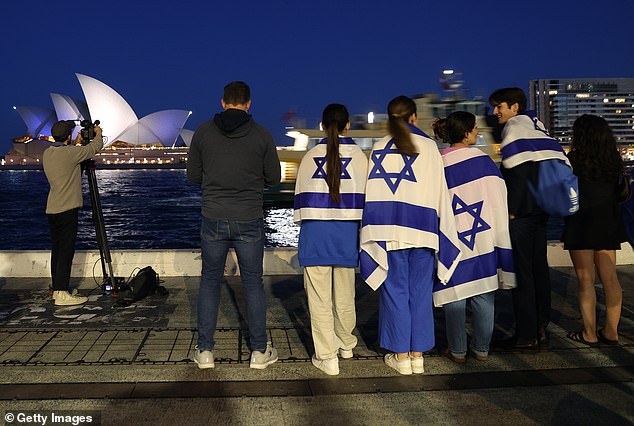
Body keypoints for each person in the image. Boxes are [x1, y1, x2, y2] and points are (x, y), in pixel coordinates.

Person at [360, 96, 461, 375]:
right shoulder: (430, 147)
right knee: (420, 292)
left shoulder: (379, 148)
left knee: (395, 292)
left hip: (390, 232)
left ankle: (400, 356)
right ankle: (418, 355)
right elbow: (441, 192)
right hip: (424, 230)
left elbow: (374, 194)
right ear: (414, 117)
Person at [186, 81, 281, 370]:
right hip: (249, 218)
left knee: (210, 282)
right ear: (248, 103)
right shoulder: (262, 135)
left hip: (213, 216)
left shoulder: (202, 132)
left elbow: (192, 176)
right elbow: (274, 178)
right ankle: (259, 352)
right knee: (253, 283)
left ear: (222, 101)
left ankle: (204, 351)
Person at [489, 87, 570, 349]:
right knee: (539, 270)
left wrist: (512, 209)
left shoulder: (513, 129)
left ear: (514, 107)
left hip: (522, 216)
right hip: (543, 212)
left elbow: (516, 173)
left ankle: (525, 335)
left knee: (522, 273)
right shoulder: (539, 130)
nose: (495, 112)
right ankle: (541, 326)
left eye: (499, 106)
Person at [432, 112, 515, 363]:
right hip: (482, 235)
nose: (477, 132)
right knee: (483, 293)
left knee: (455, 294)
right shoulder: (484, 161)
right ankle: (481, 349)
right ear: (466, 133)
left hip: (451, 236)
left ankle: (457, 351)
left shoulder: (437, 164)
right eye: (475, 128)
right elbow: (499, 198)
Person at [294, 104, 367, 375]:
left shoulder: (310, 157)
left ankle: (327, 356)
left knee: (319, 299)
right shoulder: (360, 157)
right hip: (347, 235)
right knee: (346, 295)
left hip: (315, 236)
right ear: (348, 125)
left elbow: (300, 204)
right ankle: (346, 344)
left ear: (321, 125)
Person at [562, 114, 627, 346]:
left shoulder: (573, 160)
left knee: (585, 280)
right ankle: (611, 331)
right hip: (608, 222)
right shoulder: (613, 160)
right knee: (611, 279)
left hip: (581, 223)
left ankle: (589, 333)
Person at [43, 120, 103, 306]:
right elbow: (95, 147)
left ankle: (57, 288)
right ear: (68, 136)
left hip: (52, 209)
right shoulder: (71, 153)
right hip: (67, 209)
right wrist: (98, 132)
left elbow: (68, 154)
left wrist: (75, 142)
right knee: (66, 252)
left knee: (58, 250)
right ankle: (61, 294)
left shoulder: (48, 153)